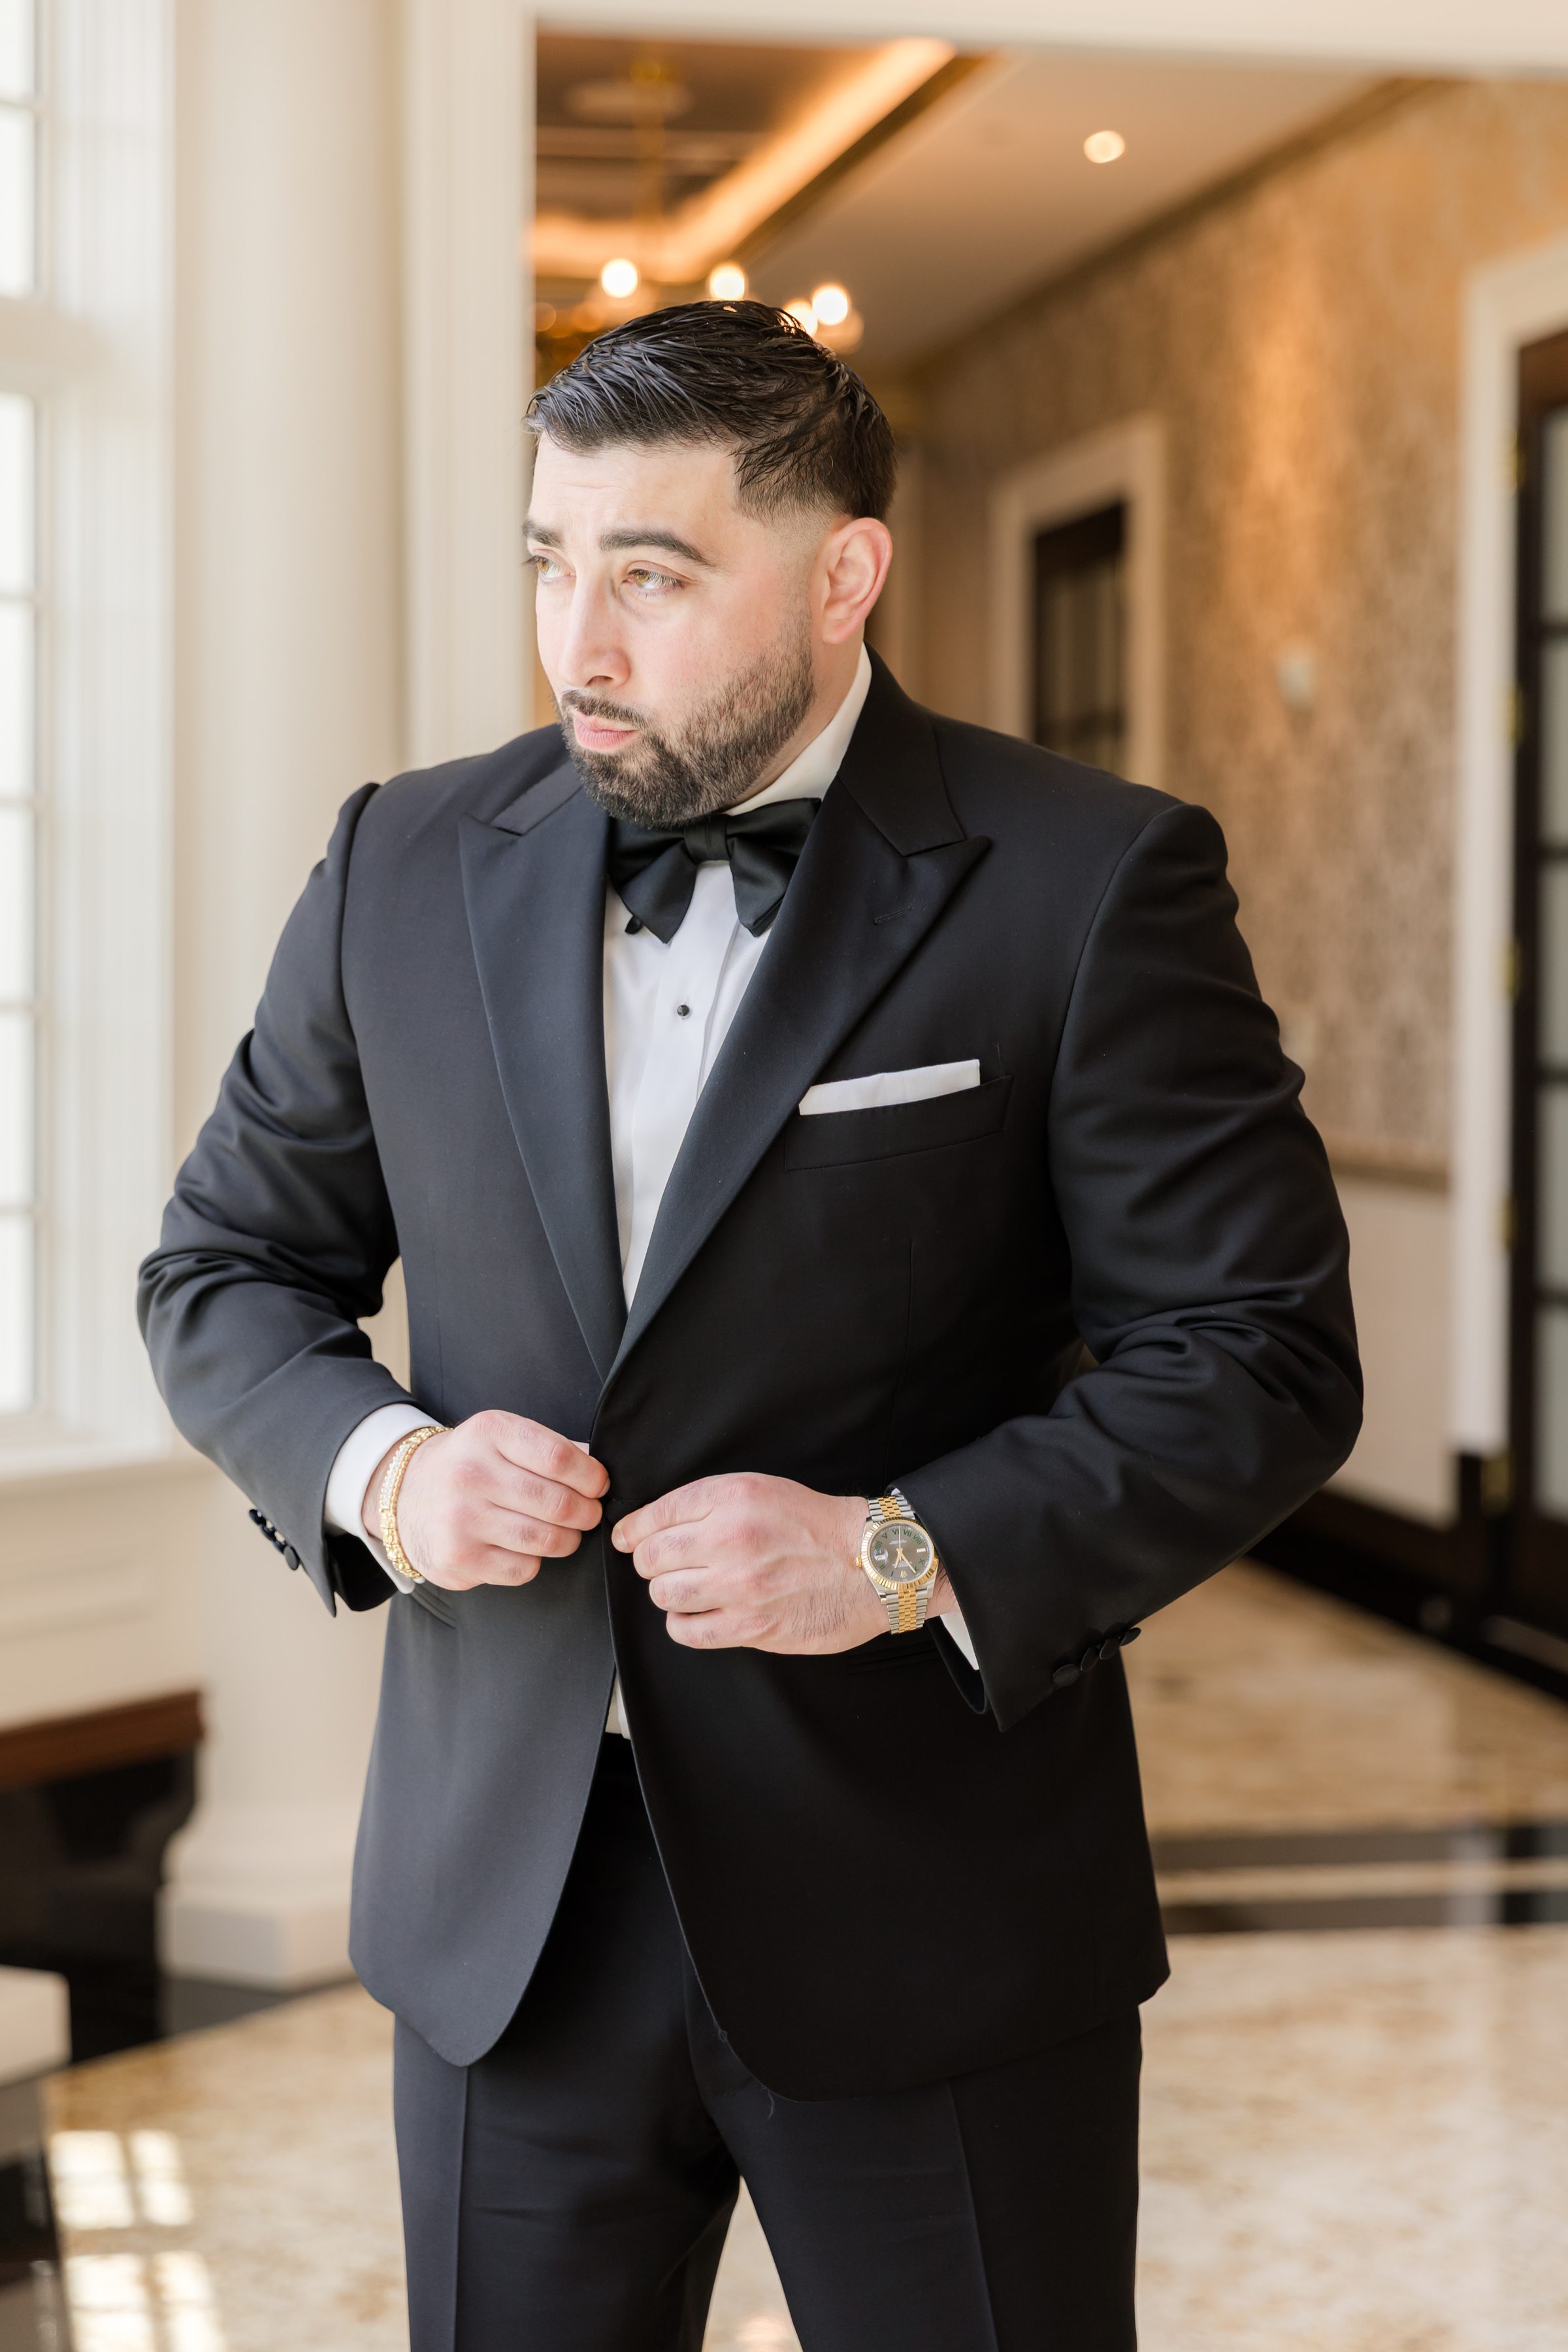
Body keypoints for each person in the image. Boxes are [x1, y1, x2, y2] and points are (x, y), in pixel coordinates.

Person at [139, 301, 1361, 2351]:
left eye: (653, 572)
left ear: (842, 570)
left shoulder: (1089, 879)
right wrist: (394, 1471)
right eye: (549, 557)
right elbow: (224, 1270)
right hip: (505, 1918)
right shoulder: (398, 865)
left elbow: (1258, 1350)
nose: (578, 645)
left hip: (936, 1913)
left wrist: (897, 1552)